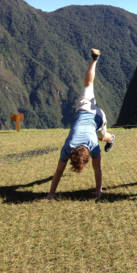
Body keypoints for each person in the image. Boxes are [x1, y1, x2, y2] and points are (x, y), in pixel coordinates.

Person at [46, 48, 115, 199]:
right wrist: (99, 191)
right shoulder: (70, 146)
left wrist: (52, 193)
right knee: (88, 83)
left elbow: (59, 171)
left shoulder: (90, 147)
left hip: (97, 117)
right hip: (89, 111)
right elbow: (97, 170)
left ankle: (111, 138)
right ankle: (94, 59)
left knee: (102, 138)